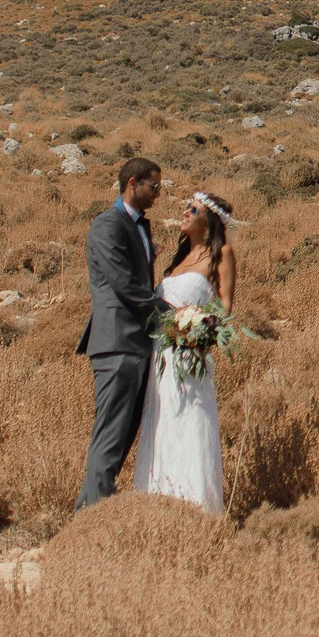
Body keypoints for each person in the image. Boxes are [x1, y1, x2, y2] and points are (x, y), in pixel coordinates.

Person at [129, 189, 239, 515]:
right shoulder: (178, 261)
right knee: (161, 423)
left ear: (209, 220)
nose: (185, 212)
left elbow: (226, 308)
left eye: (193, 209)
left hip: (190, 357)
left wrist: (200, 329)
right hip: (159, 356)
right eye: (186, 207)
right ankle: (158, 505)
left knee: (188, 423)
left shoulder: (222, 254)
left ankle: (195, 509)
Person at [75, 156, 171, 508]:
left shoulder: (139, 227)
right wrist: (172, 316)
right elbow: (124, 285)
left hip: (136, 344)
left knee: (122, 436)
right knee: (110, 436)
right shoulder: (107, 225)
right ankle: (94, 518)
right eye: (154, 186)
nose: (158, 194)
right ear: (132, 183)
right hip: (116, 343)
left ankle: (88, 516)